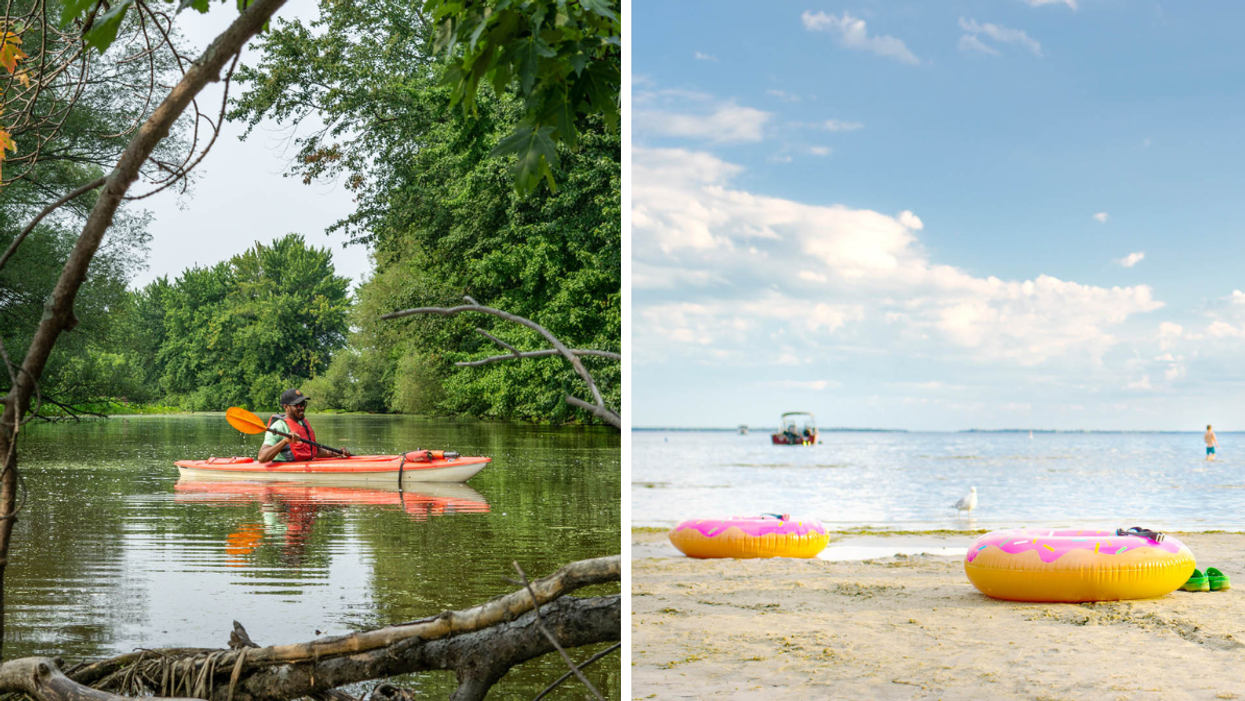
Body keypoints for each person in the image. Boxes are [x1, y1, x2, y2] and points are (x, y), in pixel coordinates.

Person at [258, 388, 351, 462]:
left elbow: (315, 451)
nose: (302, 408)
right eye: (297, 405)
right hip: (286, 472)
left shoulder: (302, 423)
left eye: (303, 404)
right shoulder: (278, 427)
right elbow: (262, 457)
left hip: (306, 464)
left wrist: (336, 453)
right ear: (286, 407)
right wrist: (285, 441)